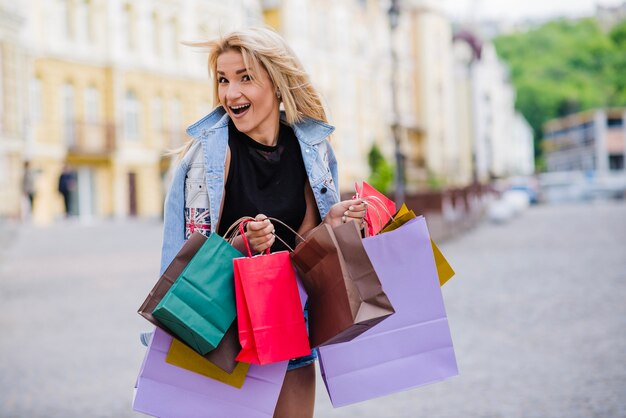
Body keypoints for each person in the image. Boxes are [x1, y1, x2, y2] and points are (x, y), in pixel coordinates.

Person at [159, 27, 367, 418]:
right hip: (223, 327)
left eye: (245, 78)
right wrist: (243, 243)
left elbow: (303, 245)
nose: (230, 93)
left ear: (275, 81)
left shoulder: (311, 149)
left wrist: (334, 221)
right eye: (223, 79)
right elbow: (192, 262)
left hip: (288, 321)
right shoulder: (207, 157)